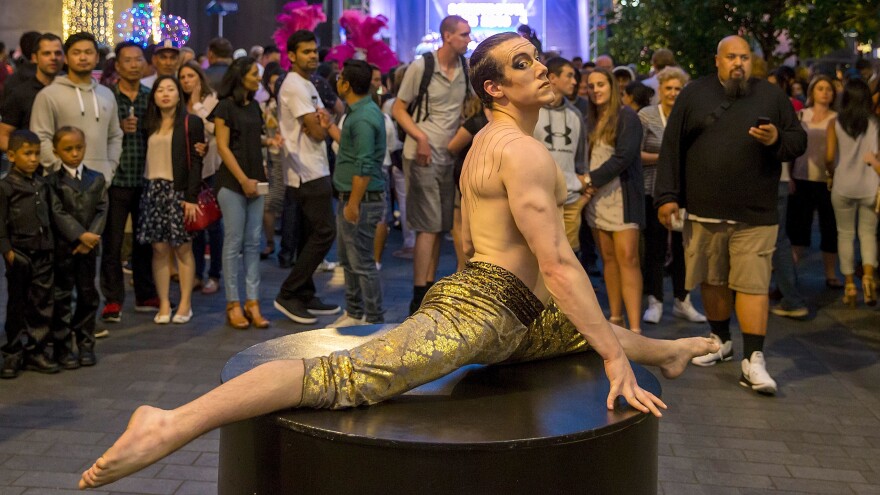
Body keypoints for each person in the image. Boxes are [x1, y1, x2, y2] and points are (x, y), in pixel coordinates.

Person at [77, 32, 717, 489]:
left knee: (573, 329)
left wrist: (606, 339)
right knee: (341, 378)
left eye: (538, 59)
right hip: (485, 312)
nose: (542, 70)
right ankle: (170, 421)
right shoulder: (521, 153)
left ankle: (668, 352)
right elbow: (556, 263)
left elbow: (473, 239)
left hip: (506, 307)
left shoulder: (492, 143)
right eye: (524, 64)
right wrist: (611, 359)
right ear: (495, 87)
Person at [654, 36, 807, 395]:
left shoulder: (771, 95)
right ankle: (720, 342)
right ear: (718, 61)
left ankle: (753, 359)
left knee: (752, 284)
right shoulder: (694, 94)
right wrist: (666, 196)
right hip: (705, 211)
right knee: (713, 278)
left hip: (755, 212)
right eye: (732, 57)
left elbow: (797, 142)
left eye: (744, 57)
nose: (739, 63)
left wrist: (774, 140)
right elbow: (672, 147)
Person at [392, 15, 472, 314]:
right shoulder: (422, 66)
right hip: (422, 154)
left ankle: (428, 288)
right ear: (447, 36)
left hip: (447, 156)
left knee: (438, 227)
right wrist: (420, 136)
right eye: (463, 34)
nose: (467, 39)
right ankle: (418, 295)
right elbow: (399, 108)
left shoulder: (464, 68)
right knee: (427, 226)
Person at [273, 31, 341, 325]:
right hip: (306, 171)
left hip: (313, 167)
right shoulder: (294, 86)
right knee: (326, 232)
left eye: (314, 51)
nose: (312, 56)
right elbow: (316, 130)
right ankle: (288, 292)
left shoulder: (307, 84)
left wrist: (320, 121)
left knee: (307, 234)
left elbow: (320, 122)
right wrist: (321, 122)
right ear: (291, 55)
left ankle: (303, 292)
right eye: (305, 52)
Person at [319, 60, 387, 327]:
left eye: (340, 78)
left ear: (346, 84)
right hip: (353, 197)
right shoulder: (360, 112)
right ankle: (355, 312)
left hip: (361, 200)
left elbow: (365, 165)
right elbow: (350, 149)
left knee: (362, 263)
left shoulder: (363, 117)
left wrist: (354, 204)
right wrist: (329, 126)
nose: (337, 81)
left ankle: (373, 320)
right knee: (349, 260)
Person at [639, 66, 706, 325]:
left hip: (682, 192)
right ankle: (654, 300)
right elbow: (637, 154)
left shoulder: (689, 116)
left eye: (678, 89)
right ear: (660, 89)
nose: (673, 93)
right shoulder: (646, 116)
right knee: (654, 248)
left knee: (683, 248)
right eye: (669, 88)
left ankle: (682, 300)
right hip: (651, 190)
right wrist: (666, 158)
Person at [136, 76, 204, 324]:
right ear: (153, 95)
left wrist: (191, 196)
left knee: (183, 248)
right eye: (160, 89)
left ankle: (185, 302)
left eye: (170, 89)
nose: (165, 94)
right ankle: (164, 302)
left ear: (179, 95)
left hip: (178, 191)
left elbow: (197, 162)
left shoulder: (190, 122)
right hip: (152, 189)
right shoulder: (148, 123)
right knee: (159, 248)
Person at [101, 41, 159, 327]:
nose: (135, 64)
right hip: (116, 179)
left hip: (145, 177)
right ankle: (112, 299)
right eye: (129, 60)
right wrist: (118, 129)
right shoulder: (107, 96)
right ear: (118, 65)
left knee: (143, 240)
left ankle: (145, 294)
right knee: (111, 242)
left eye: (139, 59)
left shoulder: (152, 97)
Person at [583, 68, 645, 334]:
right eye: (591, 85)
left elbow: (624, 158)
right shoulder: (589, 118)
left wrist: (588, 180)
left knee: (628, 259)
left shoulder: (627, 116)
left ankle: (635, 328)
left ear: (613, 87)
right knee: (607, 259)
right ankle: (616, 318)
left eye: (601, 84)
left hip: (622, 196)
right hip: (597, 199)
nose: (596, 89)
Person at [215, 56, 275, 329]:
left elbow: (251, 138)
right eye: (254, 73)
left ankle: (253, 301)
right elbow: (223, 147)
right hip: (232, 182)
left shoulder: (255, 107)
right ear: (241, 76)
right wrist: (243, 180)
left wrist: (269, 140)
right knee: (233, 243)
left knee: (253, 242)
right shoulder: (225, 106)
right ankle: (233, 302)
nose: (258, 78)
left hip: (256, 180)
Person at [0, 130, 57, 378]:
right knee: (17, 304)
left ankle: (37, 351)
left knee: (41, 303)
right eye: (27, 154)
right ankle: (13, 352)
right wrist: (7, 252)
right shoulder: (5, 186)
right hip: (19, 253)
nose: (33, 159)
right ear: (11, 156)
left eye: (36, 153)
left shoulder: (42, 184)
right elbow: (0, 223)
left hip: (44, 251)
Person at [48, 126, 106, 368]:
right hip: (65, 247)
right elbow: (57, 212)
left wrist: (91, 237)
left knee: (87, 295)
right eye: (68, 149)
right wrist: (79, 235)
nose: (74, 153)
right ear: (56, 151)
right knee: (62, 297)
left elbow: (102, 209)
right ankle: (62, 348)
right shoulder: (52, 181)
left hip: (89, 249)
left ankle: (85, 345)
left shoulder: (96, 178)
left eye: (78, 148)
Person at [29, 32, 123, 182]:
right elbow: (41, 137)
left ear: (97, 57)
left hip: (100, 184)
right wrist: (62, 171)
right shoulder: (48, 95)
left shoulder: (107, 95)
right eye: (76, 53)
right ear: (66, 58)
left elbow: (115, 136)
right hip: (60, 185)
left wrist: (109, 168)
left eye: (88, 52)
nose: (83, 58)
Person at [826, 78, 879, 307]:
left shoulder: (835, 123)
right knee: (868, 234)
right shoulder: (875, 123)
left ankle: (849, 284)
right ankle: (868, 277)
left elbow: (828, 157)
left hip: (843, 185)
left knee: (845, 234)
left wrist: (830, 172)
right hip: (870, 185)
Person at [786, 75, 840, 293]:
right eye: (820, 88)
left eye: (828, 89)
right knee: (798, 228)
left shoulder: (837, 118)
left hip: (827, 180)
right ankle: (790, 276)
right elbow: (792, 150)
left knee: (829, 228)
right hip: (802, 177)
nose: (825, 92)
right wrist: (789, 176)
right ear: (812, 92)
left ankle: (830, 274)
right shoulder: (801, 116)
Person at [532, 57, 589, 258]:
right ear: (553, 78)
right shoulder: (532, 111)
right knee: (540, 258)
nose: (575, 82)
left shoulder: (576, 115)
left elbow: (581, 158)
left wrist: (583, 186)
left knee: (570, 258)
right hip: (537, 199)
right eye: (570, 76)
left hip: (570, 199)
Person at [179, 60, 223, 295]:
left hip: (210, 170)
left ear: (199, 77)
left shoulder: (210, 99)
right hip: (187, 171)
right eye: (183, 77)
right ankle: (196, 273)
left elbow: (214, 130)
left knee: (213, 224)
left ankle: (214, 274)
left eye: (190, 76)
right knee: (192, 223)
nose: (186, 81)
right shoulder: (177, 102)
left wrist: (196, 105)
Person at [0, 33, 63, 152]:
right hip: (31, 165)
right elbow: (4, 134)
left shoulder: (70, 89)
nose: (53, 57)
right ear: (34, 58)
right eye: (46, 53)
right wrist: (22, 156)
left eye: (58, 53)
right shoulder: (20, 92)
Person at [448, 95, 490, 272]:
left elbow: (452, 146)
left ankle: (463, 265)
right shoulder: (501, 124)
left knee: (459, 222)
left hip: (467, 178)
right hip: (486, 179)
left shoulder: (475, 122)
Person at [259, 62, 285, 261]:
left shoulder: (290, 105)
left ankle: (285, 243)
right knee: (268, 205)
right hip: (272, 160)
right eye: (272, 83)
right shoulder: (264, 107)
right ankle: (270, 242)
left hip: (290, 161)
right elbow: (261, 134)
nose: (275, 87)